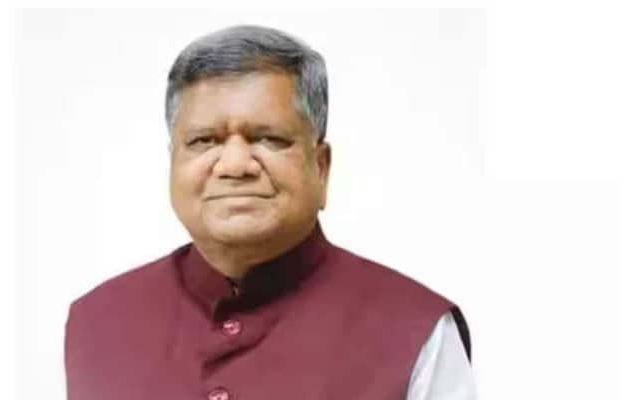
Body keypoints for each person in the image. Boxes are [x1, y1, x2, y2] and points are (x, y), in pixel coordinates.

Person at [65, 25, 476, 400]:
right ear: (173, 163)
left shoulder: (413, 329)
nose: (235, 165)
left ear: (321, 167)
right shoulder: (98, 323)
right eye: (204, 141)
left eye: (269, 138)